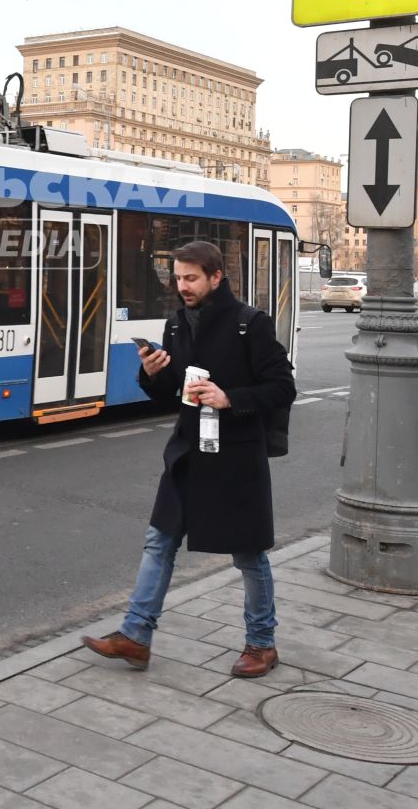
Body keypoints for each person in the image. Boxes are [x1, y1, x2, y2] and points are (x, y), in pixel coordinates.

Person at [82, 240, 296, 678]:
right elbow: (170, 395)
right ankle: (136, 636)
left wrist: (229, 398)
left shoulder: (249, 324)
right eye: (178, 278)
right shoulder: (176, 324)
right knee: (159, 541)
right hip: (188, 452)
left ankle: (261, 643)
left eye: (191, 278)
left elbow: (282, 387)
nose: (182, 286)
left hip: (234, 459)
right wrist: (153, 374)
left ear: (216, 276)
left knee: (248, 555)